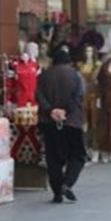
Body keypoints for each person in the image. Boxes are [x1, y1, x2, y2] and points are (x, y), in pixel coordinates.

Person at [36, 44, 87, 204]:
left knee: (53, 158)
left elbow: (38, 95)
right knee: (77, 155)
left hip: (49, 122)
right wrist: (65, 111)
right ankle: (67, 183)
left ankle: (57, 192)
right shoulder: (76, 75)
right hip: (72, 122)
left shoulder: (43, 76)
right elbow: (78, 96)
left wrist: (51, 110)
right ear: (69, 62)